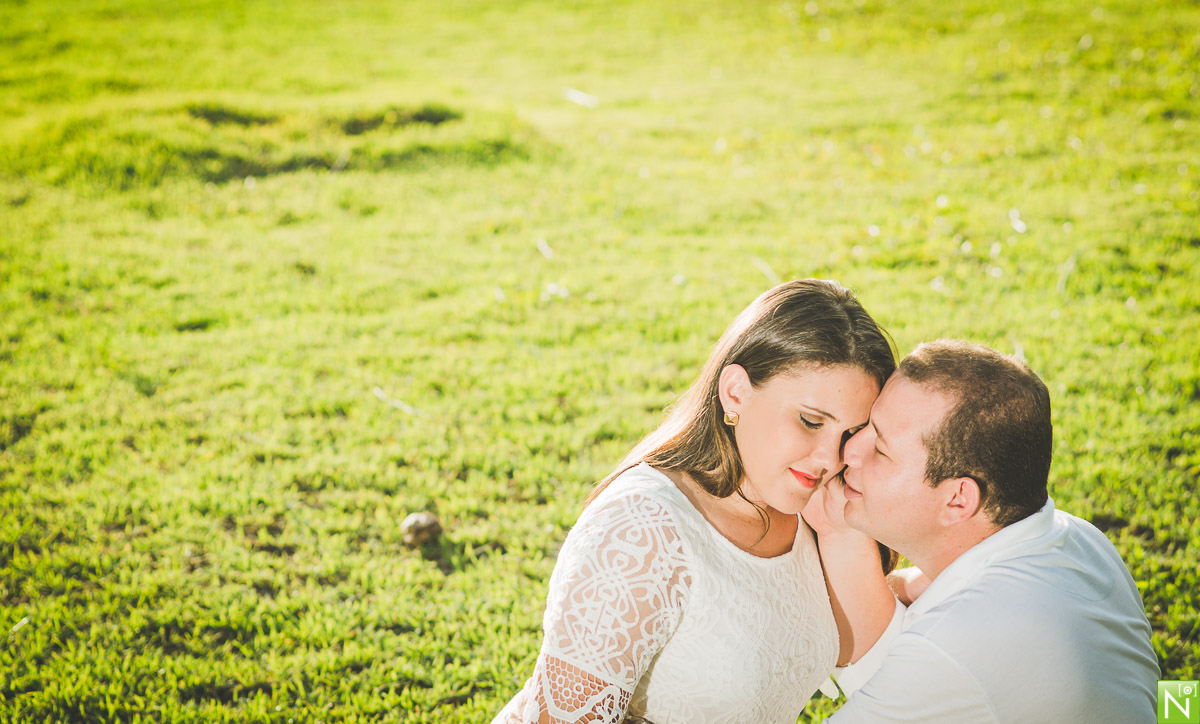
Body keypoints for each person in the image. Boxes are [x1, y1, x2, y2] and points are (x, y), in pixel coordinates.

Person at [492, 279, 897, 724]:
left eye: (851, 433)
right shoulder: (639, 532)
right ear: (736, 392)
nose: (830, 458)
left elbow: (867, 654)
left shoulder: (811, 507)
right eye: (810, 421)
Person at [804, 339, 1160, 723]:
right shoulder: (1080, 541)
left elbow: (938, 658)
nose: (850, 451)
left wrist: (837, 534)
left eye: (882, 449)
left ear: (958, 500)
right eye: (866, 428)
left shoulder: (954, 647)